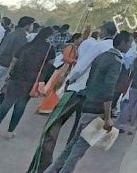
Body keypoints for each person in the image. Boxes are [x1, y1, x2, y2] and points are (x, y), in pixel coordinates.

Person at [27, 21, 118, 173]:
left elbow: (80, 67)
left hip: (76, 90)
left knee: (52, 128)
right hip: (92, 98)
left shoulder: (97, 46)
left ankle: (41, 167)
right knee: (76, 138)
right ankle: (62, 168)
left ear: (104, 31)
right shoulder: (115, 52)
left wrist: (69, 80)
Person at [44, 31, 133, 173]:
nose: (130, 46)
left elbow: (91, 80)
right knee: (78, 150)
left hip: (88, 104)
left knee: (73, 145)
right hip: (97, 110)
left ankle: (51, 170)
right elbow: (109, 90)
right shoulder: (116, 62)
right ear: (122, 43)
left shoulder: (102, 56)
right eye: (129, 42)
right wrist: (108, 116)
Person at [0, 26, 54, 138]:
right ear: (49, 36)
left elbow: (15, 60)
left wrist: (9, 75)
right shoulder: (49, 48)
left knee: (6, 103)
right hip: (32, 80)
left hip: (16, 77)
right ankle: (10, 132)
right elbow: (51, 64)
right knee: (21, 105)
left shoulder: (28, 45)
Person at [38, 32, 82, 114]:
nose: (81, 40)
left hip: (66, 69)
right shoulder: (70, 47)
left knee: (57, 88)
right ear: (76, 39)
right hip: (63, 69)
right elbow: (66, 58)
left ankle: (48, 107)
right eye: (80, 39)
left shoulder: (74, 47)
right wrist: (75, 61)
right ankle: (46, 107)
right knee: (56, 88)